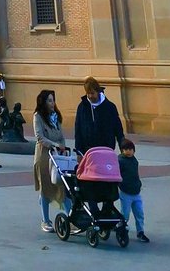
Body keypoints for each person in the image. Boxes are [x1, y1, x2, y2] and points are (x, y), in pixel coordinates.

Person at [33, 90, 69, 233]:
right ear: (43, 102)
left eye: (53, 100)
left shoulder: (56, 117)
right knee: (45, 187)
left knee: (62, 185)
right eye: (49, 100)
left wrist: (63, 148)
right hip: (43, 155)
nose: (52, 103)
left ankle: (71, 217)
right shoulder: (38, 117)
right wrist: (54, 145)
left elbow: (61, 136)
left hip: (57, 156)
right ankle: (45, 220)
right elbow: (39, 137)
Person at [74, 76, 125, 153]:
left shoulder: (110, 107)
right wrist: (78, 151)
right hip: (88, 150)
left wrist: (122, 147)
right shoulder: (82, 107)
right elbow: (78, 129)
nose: (90, 96)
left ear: (98, 91)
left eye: (92, 93)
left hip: (106, 148)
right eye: (88, 93)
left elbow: (118, 128)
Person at [118, 139, 150, 241]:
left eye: (131, 149)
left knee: (139, 213)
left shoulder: (134, 160)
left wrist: (138, 184)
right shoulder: (120, 161)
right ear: (122, 150)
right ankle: (122, 228)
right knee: (125, 213)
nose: (129, 151)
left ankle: (140, 232)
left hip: (136, 192)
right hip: (125, 192)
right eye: (126, 149)